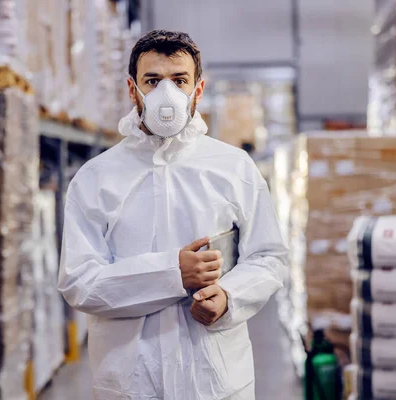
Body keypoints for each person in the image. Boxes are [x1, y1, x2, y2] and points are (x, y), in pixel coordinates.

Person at [58, 30, 289, 400]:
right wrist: (172, 274)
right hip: (132, 383)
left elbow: (269, 257)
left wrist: (230, 296)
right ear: (133, 90)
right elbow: (79, 283)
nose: (167, 94)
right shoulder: (96, 178)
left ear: (197, 90)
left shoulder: (233, 167)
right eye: (153, 80)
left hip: (215, 380)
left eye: (179, 80)